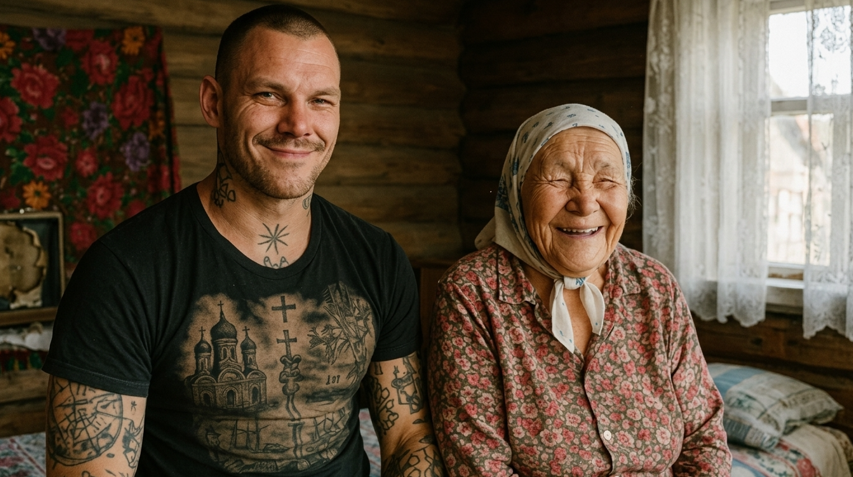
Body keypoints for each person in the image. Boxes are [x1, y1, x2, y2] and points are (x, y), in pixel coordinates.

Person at [43, 5, 443, 477]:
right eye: (269, 94)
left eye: (320, 100)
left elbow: (406, 435)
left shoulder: (377, 257)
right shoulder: (125, 270)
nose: (298, 124)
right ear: (213, 103)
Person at [427, 104, 731, 476]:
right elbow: (479, 464)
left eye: (606, 180)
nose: (585, 203)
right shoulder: (473, 293)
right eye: (558, 178)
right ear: (517, 188)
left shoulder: (653, 285)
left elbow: (704, 437)